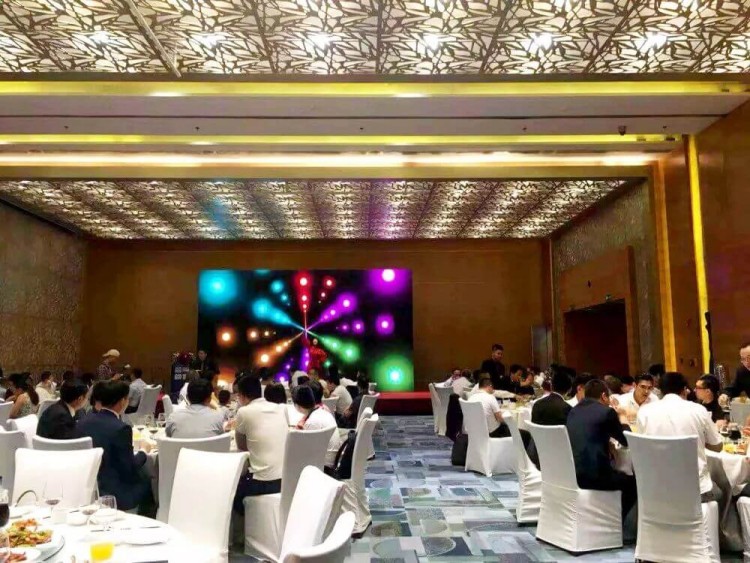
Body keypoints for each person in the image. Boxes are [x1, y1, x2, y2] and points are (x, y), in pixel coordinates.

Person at [637, 372, 723, 502]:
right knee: (721, 492)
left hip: (657, 490)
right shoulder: (698, 410)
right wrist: (700, 441)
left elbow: (642, 445)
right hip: (695, 491)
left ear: (660, 391)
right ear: (684, 390)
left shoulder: (644, 412)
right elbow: (717, 446)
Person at [76, 380, 154, 513]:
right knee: (148, 480)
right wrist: (143, 451)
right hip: (116, 492)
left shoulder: (82, 422)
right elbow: (129, 467)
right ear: (122, 401)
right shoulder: (121, 428)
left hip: (88, 487)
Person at [566, 379, 636, 522]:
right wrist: (622, 417)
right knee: (633, 483)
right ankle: (615, 523)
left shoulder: (574, 410)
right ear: (604, 396)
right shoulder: (606, 412)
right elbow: (627, 440)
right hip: (594, 477)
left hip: (572, 472)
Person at [233, 375, 288, 512]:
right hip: (286, 479)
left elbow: (241, 447)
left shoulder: (243, 412)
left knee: (231, 492)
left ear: (242, 395)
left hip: (262, 483)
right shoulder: (280, 408)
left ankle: (244, 522)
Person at [292, 385, 342, 467]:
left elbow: (303, 450)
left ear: (297, 405)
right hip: (332, 459)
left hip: (323, 465)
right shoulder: (323, 412)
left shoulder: (312, 422)